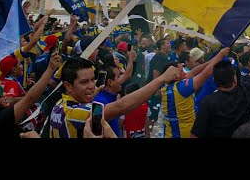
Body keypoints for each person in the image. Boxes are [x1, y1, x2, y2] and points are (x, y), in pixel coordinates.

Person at [49, 56, 180, 138]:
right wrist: (161, 79)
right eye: (84, 82)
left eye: (92, 80)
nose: (91, 86)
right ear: (68, 85)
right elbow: (121, 106)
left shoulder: (60, 104)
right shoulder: (75, 112)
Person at [190, 38, 250, 138]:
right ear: (235, 78)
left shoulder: (208, 102)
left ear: (215, 81)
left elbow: (195, 135)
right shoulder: (246, 90)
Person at [161, 48, 229, 138]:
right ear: (175, 77)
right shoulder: (181, 88)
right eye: (181, 71)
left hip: (171, 132)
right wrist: (220, 54)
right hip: (182, 133)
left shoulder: (167, 86)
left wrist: (213, 60)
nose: (184, 72)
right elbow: (204, 74)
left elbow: (194, 72)